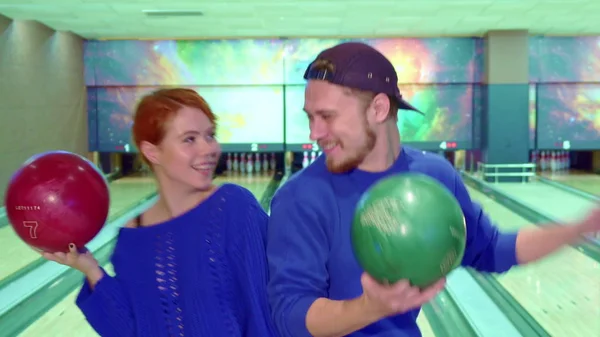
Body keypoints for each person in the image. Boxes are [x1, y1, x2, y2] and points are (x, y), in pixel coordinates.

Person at [266, 42, 600, 337]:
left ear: (379, 109)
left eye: (326, 116)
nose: (314, 132)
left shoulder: (434, 175)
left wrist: (581, 227)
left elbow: (491, 250)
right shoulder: (299, 197)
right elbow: (290, 315)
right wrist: (370, 307)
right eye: (310, 117)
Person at [42, 88, 280, 337]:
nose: (208, 148)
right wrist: (90, 269)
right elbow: (131, 329)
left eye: (210, 135)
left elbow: (269, 304)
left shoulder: (234, 207)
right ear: (152, 152)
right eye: (190, 139)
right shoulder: (133, 238)